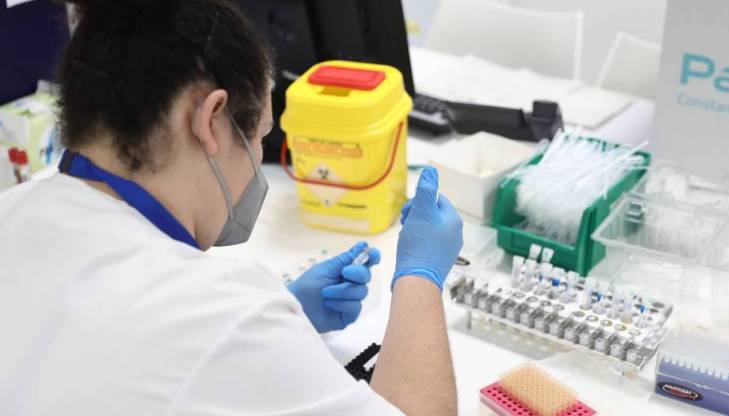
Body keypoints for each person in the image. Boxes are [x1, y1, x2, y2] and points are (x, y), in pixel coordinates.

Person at [0, 1, 464, 415]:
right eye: (259, 137)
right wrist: (420, 277)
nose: (259, 161)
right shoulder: (222, 316)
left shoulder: (13, 209)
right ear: (210, 120)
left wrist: (285, 317)